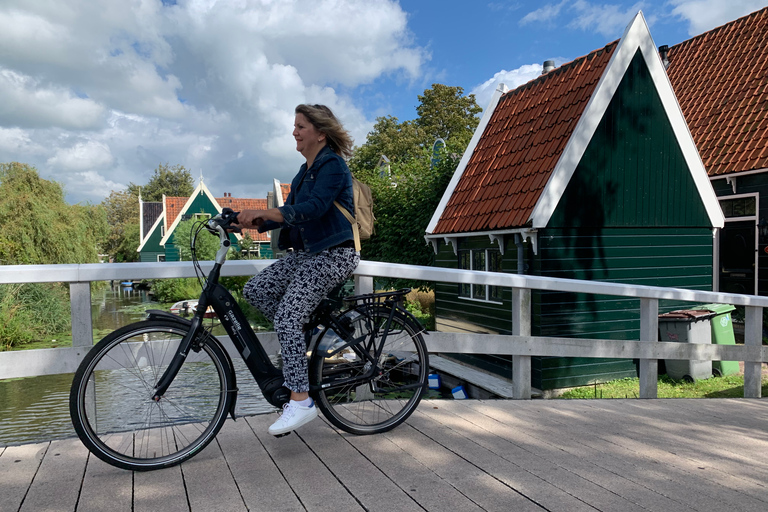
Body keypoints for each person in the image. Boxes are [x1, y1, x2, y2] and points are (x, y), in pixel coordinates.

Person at [234, 104, 360, 436]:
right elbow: (291, 213)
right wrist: (246, 221)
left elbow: (314, 208)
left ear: (320, 133)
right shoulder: (302, 173)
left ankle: (301, 400)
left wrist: (267, 212)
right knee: (255, 291)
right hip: (306, 255)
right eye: (295, 126)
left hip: (334, 254)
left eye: (301, 126)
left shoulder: (332, 165)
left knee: (287, 316)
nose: (295, 131)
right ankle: (300, 337)